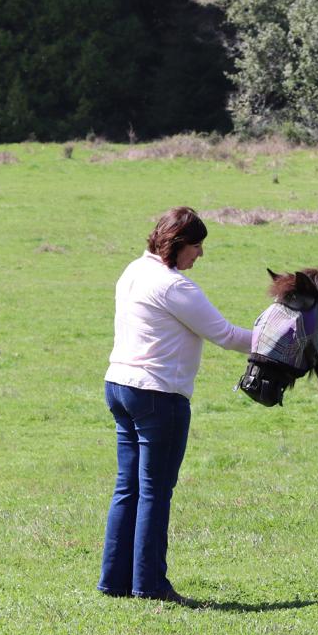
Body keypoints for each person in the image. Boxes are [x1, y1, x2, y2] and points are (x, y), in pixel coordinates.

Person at [98, 207, 251, 605]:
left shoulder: (132, 270)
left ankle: (115, 581)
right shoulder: (174, 287)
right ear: (178, 244)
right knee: (154, 491)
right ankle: (149, 585)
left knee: (127, 488)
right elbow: (227, 335)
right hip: (157, 395)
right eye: (197, 246)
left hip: (119, 385)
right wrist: (281, 340)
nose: (200, 255)